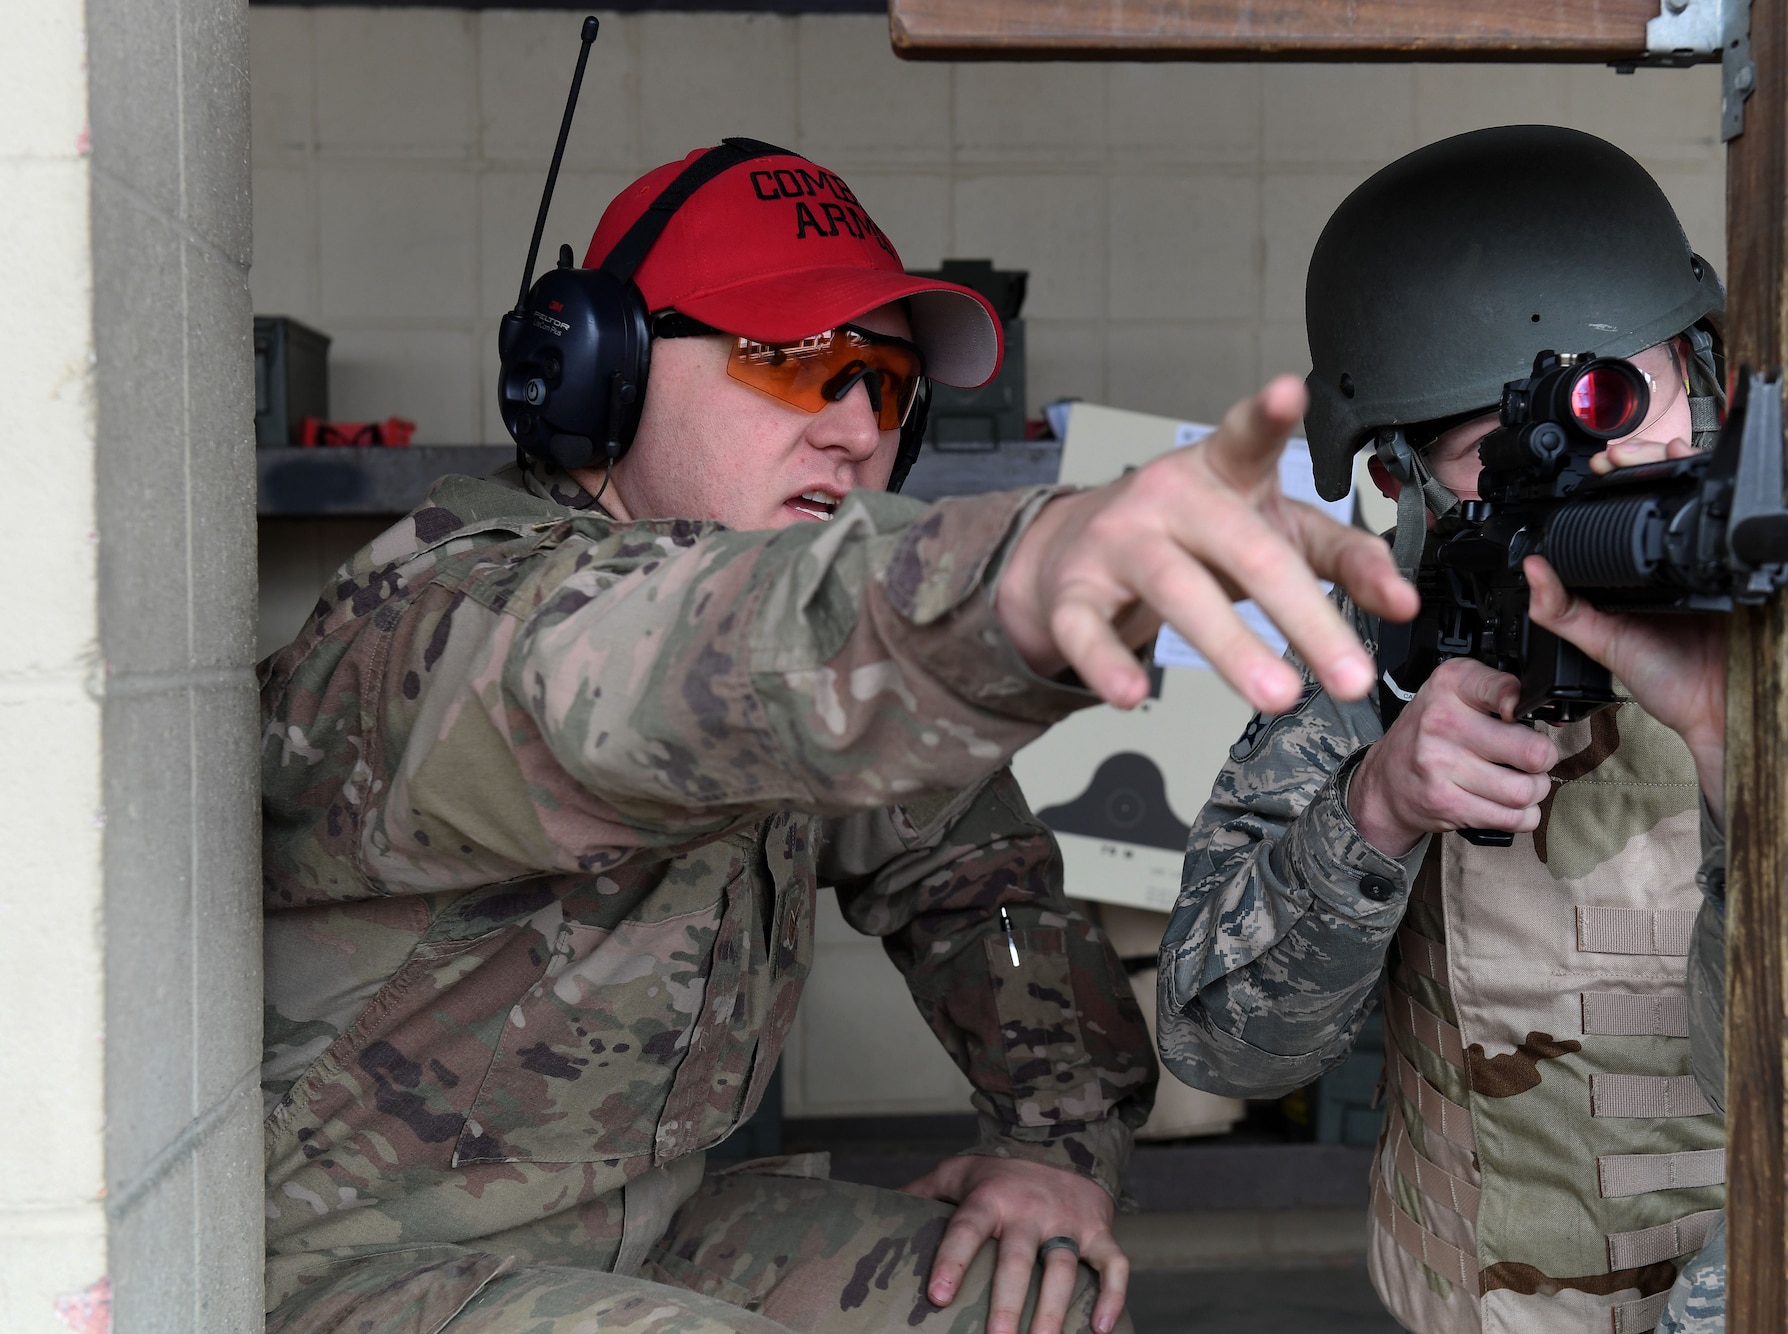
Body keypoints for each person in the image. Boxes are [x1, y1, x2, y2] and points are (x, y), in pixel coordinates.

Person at [258, 142, 1413, 1334]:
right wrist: (1018, 577)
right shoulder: (456, 617)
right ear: (603, 370)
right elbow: (695, 658)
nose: (857, 427)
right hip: (353, 1271)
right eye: (792, 360)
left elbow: (983, 892)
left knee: (1028, 1301)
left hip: (638, 1223)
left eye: (885, 381)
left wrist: (1055, 1143)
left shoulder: (818, 665)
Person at [1158, 126, 1731, 1334]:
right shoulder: (1378, 652)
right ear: (1398, 485)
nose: (1606, 468)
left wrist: (1739, 759)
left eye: (1625, 396)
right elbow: (1217, 1048)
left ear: (1703, 370)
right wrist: (1372, 809)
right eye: (1506, 451)